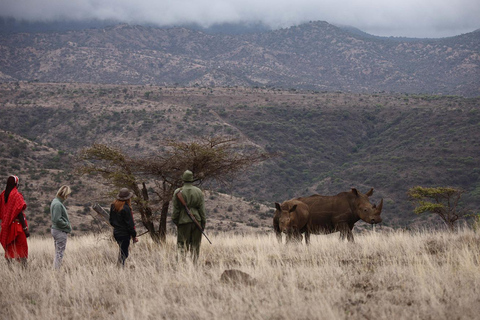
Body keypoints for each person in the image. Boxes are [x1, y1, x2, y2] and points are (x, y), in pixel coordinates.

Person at [172, 170, 206, 262]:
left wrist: (176, 221)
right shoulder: (198, 191)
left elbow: (175, 211)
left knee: (182, 245)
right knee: (195, 246)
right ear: (192, 179)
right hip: (197, 221)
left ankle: (181, 266)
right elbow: (202, 210)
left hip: (183, 222)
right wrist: (202, 223)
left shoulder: (178, 192)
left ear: (183, 179)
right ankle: (194, 267)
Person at [0, 175, 29, 266]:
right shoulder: (16, 195)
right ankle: (24, 268)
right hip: (17, 226)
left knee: (9, 248)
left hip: (7, 226)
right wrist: (25, 228)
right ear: (16, 184)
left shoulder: (3, 195)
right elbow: (19, 212)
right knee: (22, 248)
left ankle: (10, 269)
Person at [109, 188, 137, 267]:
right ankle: (120, 268)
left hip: (116, 232)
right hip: (124, 234)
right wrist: (134, 235)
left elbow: (111, 220)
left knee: (122, 251)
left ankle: (120, 267)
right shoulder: (126, 208)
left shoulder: (113, 206)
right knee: (124, 253)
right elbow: (130, 224)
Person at [50, 185, 72, 269]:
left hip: (56, 230)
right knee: (59, 253)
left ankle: (55, 270)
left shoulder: (55, 202)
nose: (68, 197)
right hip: (60, 231)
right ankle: (56, 271)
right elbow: (57, 219)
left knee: (58, 252)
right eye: (67, 194)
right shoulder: (57, 204)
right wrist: (66, 224)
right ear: (64, 194)